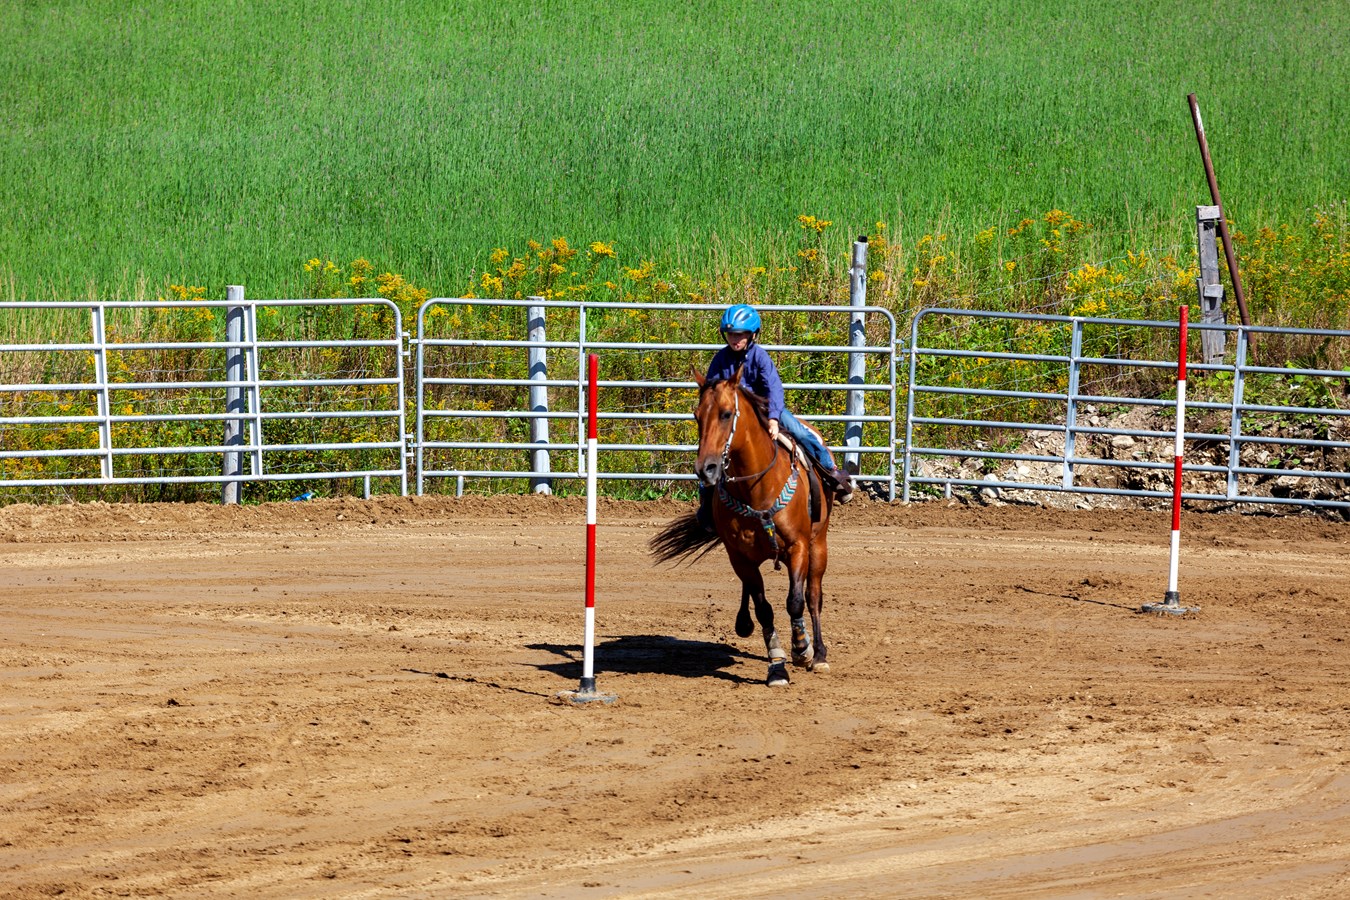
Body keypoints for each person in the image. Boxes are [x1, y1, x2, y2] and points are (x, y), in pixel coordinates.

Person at [696, 304, 852, 531]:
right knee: (708, 451)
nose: (735, 339)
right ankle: (707, 504)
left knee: (800, 432)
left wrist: (774, 419)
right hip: (736, 418)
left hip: (767, 409)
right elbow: (711, 392)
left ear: (752, 335)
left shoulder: (760, 357)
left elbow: (774, 388)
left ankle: (832, 473)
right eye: (731, 334)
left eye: (740, 334)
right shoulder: (721, 360)